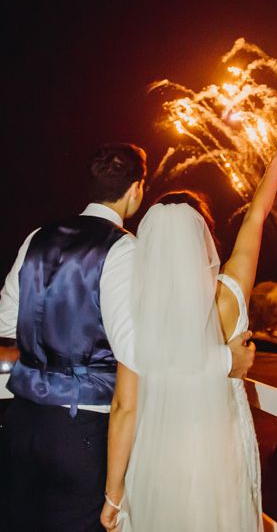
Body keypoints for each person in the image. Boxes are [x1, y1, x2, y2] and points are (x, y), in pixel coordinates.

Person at [0, 143, 254, 532]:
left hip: (22, 421)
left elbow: (6, 322)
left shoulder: (38, 236)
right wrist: (225, 361)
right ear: (136, 189)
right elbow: (143, 356)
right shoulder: (123, 250)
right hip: (80, 431)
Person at [101, 136, 277, 531]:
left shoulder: (140, 319)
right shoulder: (230, 294)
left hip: (159, 454)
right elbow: (254, 220)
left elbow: (124, 408)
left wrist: (113, 493)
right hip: (221, 451)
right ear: (204, 241)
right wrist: (274, 167)